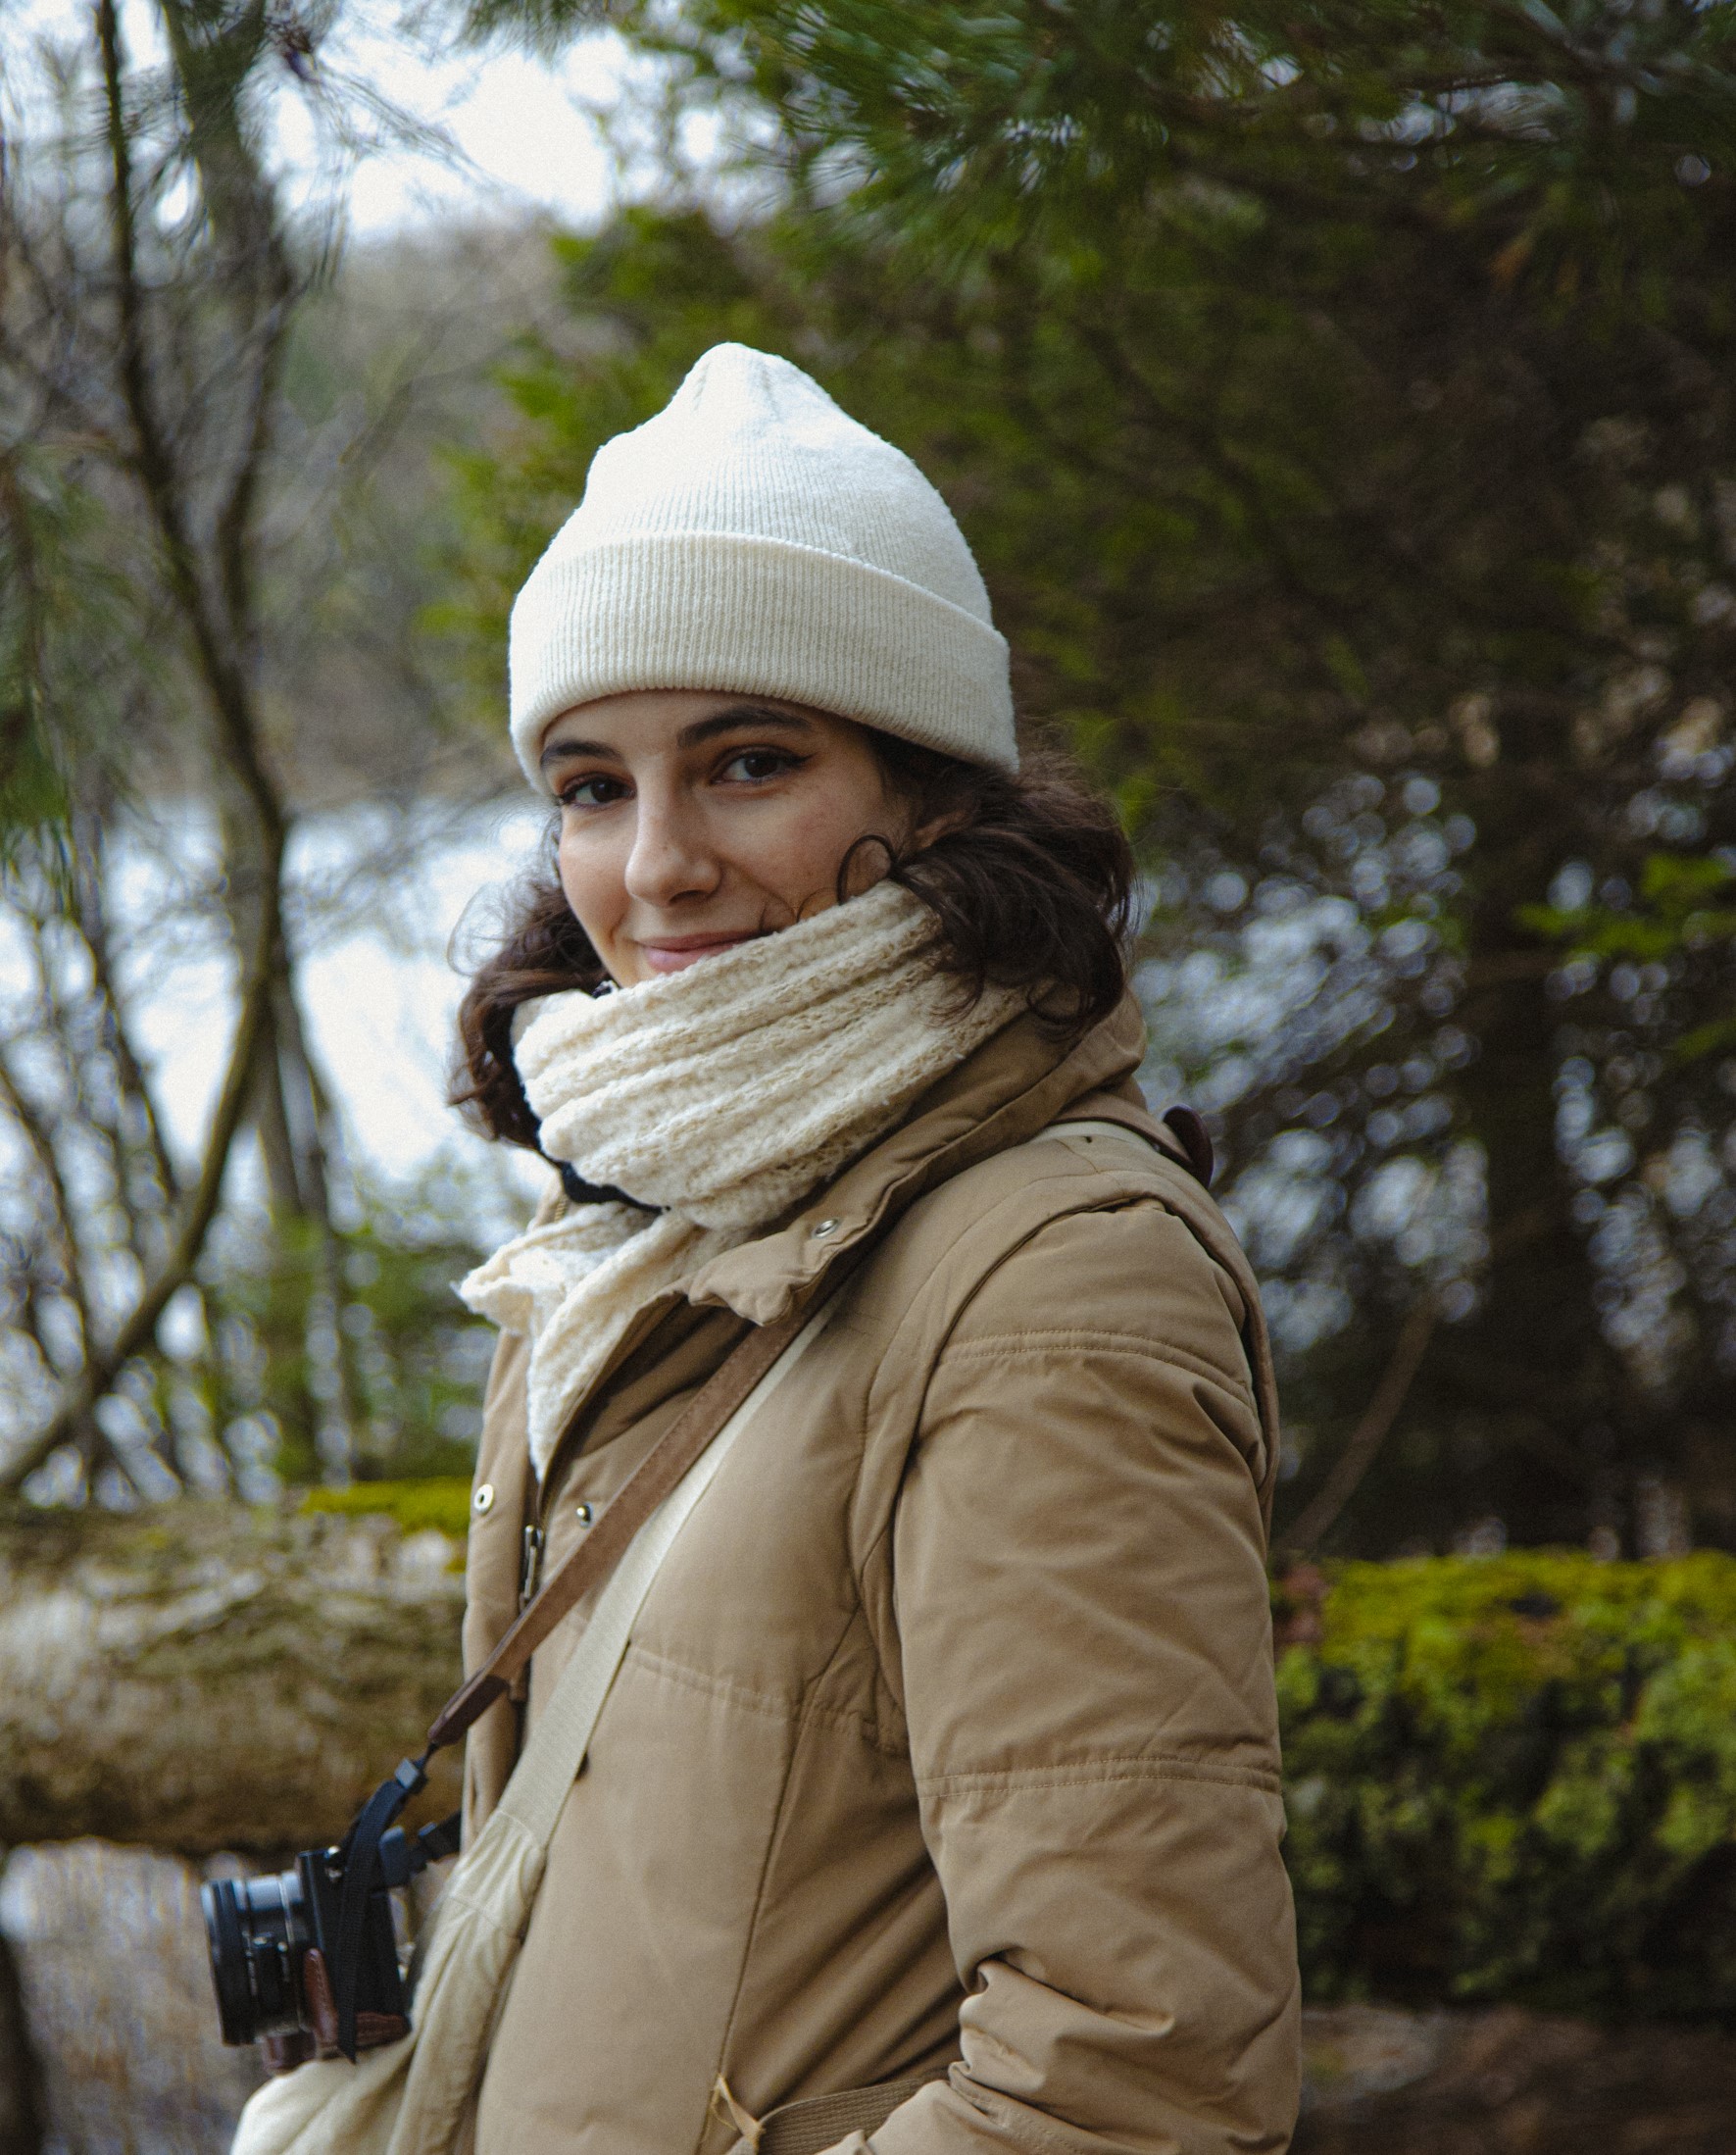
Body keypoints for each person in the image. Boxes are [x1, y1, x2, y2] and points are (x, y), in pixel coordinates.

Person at [448, 343, 1300, 2155]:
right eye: (592, 784)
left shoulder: (1055, 1281)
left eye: (749, 762)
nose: (657, 864)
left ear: (931, 793)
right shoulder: (641, 1208)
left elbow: (1133, 2078)